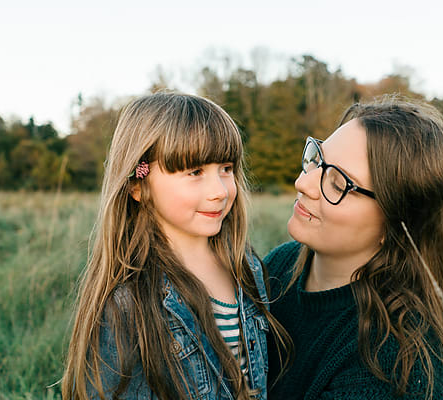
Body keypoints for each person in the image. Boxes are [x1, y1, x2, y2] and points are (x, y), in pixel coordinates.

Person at [62, 92, 287, 400]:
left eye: (226, 168)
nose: (220, 191)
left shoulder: (246, 267)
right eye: (195, 172)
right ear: (138, 186)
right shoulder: (128, 303)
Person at [265, 97, 443, 399]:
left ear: (394, 224)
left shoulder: (393, 366)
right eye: (317, 158)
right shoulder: (279, 267)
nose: (304, 183)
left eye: (339, 184)